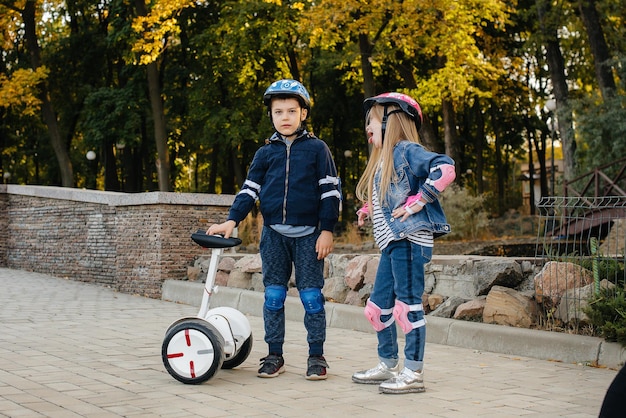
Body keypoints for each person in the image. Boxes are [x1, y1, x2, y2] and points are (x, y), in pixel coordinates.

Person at [207, 79, 341, 381]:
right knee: (274, 297)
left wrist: (327, 230)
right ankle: (274, 355)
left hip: (309, 235)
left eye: (291, 111)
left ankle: (316, 356)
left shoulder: (318, 149)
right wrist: (232, 220)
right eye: (278, 111)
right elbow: (249, 190)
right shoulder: (265, 153)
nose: (285, 117)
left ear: (303, 113)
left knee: (311, 299)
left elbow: (330, 193)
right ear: (271, 115)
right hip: (274, 237)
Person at [351, 92, 456, 394]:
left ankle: (413, 372)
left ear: (390, 121)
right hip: (393, 245)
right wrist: (367, 210)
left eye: (371, 121)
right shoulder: (383, 162)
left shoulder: (406, 150)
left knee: (407, 309)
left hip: (410, 242)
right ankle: (387, 364)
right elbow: (391, 195)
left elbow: (445, 168)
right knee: (376, 309)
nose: (367, 128)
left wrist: (420, 201)